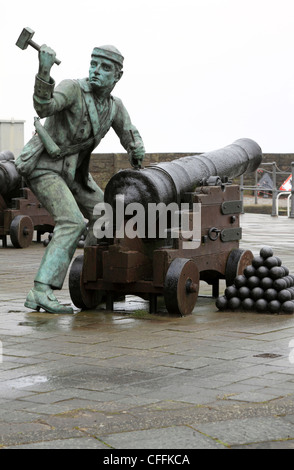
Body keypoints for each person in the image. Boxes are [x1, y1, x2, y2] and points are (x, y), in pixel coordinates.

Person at [15, 44, 145, 314]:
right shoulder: (72, 88)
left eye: (105, 68)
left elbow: (128, 131)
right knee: (72, 222)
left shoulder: (113, 107)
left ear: (117, 76)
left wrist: (136, 149)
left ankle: (91, 277)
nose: (97, 71)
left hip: (74, 173)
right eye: (94, 65)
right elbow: (45, 106)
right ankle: (41, 290)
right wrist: (44, 69)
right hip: (45, 166)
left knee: (106, 213)